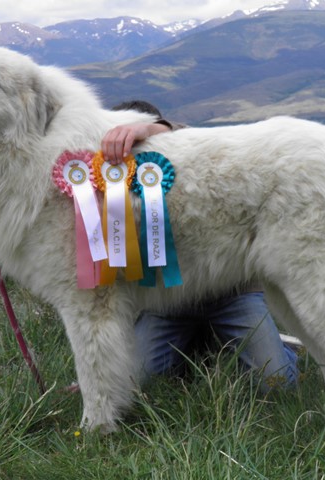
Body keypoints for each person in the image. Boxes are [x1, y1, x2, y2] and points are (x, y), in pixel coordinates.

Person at [101, 101, 300, 392]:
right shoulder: (107, 186)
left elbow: (191, 137)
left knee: (277, 385)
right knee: (137, 384)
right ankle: (200, 348)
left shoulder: (185, 164)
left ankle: (281, 349)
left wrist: (151, 127)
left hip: (232, 294)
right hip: (166, 305)